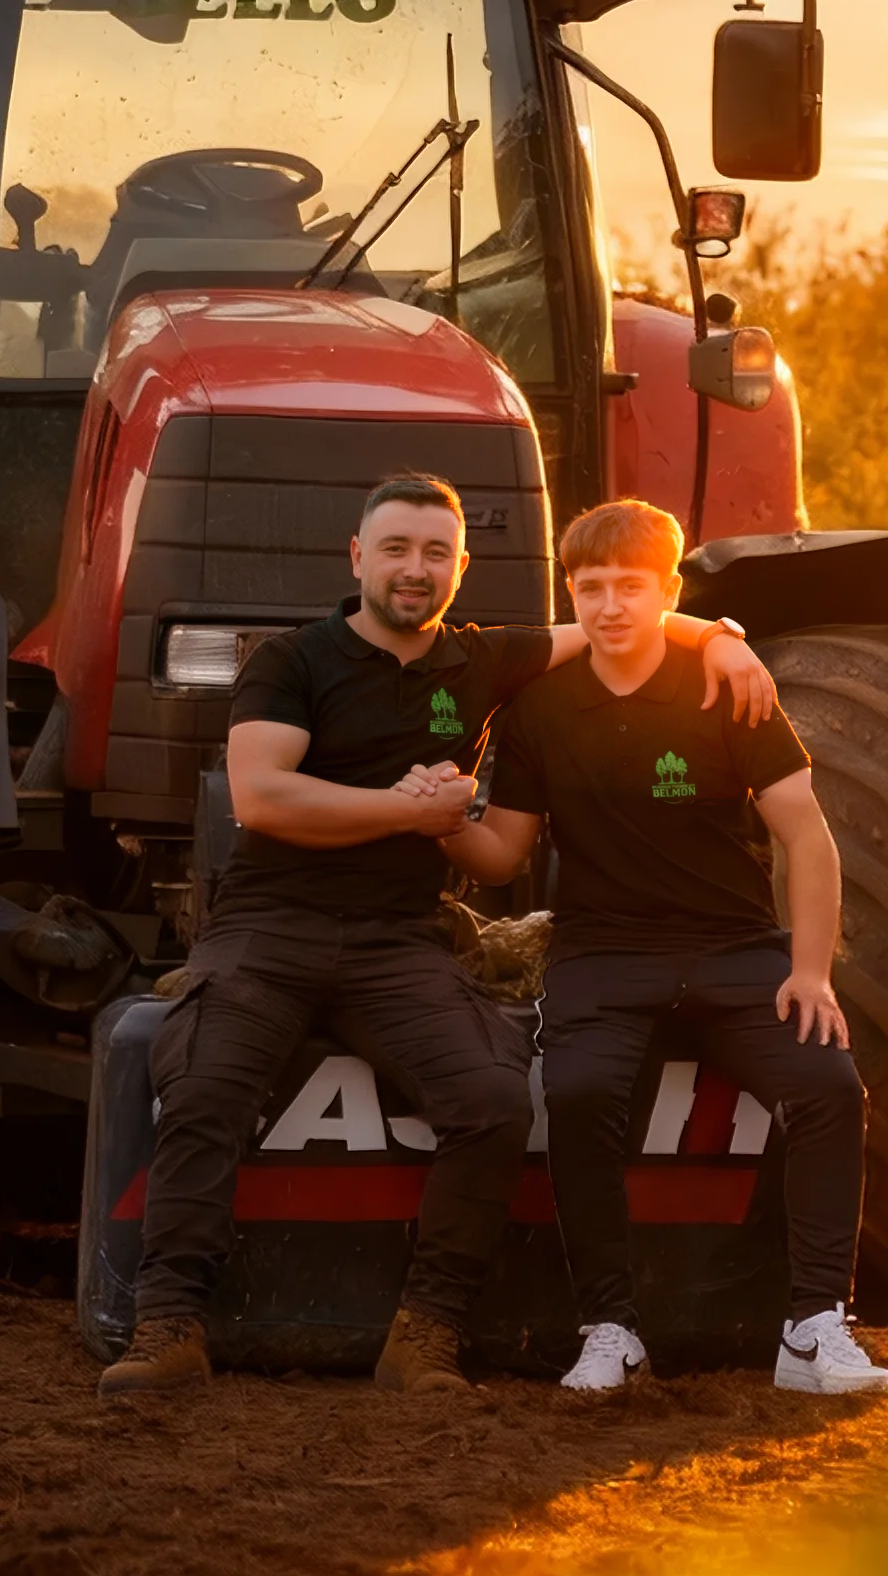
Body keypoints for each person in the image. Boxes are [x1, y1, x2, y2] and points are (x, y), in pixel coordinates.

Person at [98, 474, 775, 1397]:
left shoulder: (481, 661)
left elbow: (624, 620)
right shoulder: (292, 660)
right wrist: (407, 812)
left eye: (434, 554)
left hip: (400, 937)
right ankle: (168, 1324)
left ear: (461, 568)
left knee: (491, 1102)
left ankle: (425, 1334)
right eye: (395, 549)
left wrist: (724, 638)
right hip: (269, 925)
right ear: (358, 558)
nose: (413, 569)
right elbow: (262, 797)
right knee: (205, 1083)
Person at [443, 497, 888, 1396]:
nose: (610, 606)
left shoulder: (730, 688)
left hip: (734, 948)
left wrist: (810, 972)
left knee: (830, 1087)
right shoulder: (539, 708)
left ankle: (813, 1329)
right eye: (591, 588)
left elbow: (807, 837)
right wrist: (442, 815)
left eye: (631, 586)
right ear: (570, 592)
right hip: (603, 956)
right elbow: (504, 854)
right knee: (576, 1094)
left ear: (669, 592)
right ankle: (611, 1329)